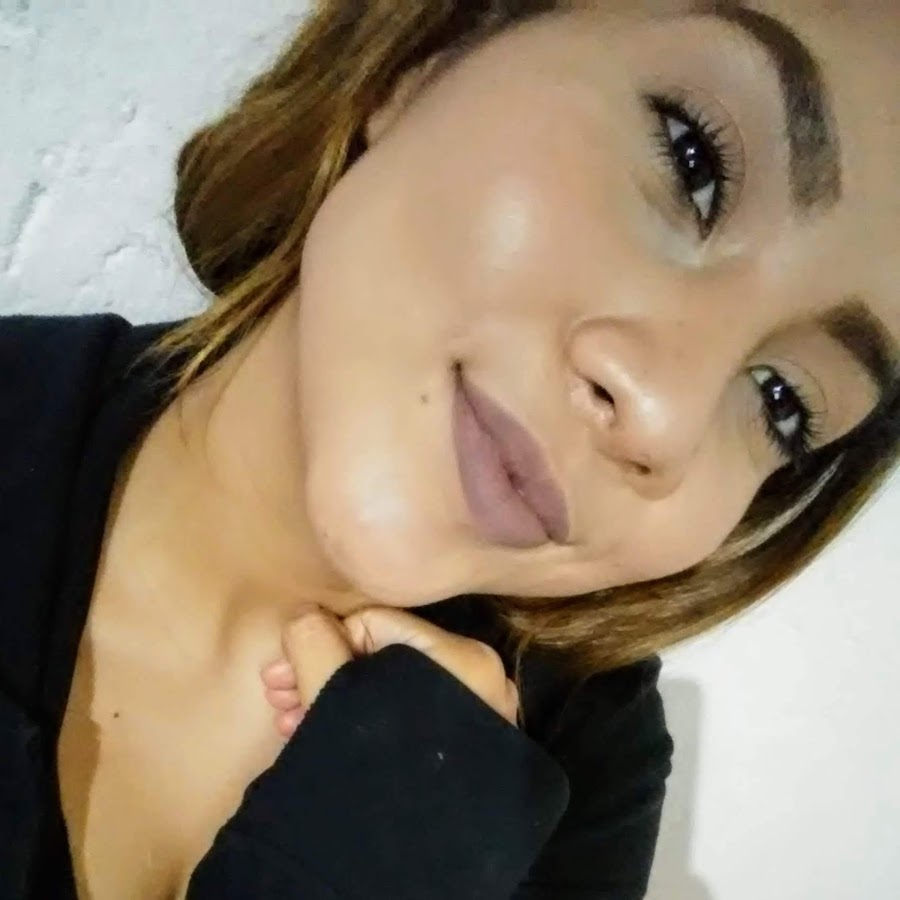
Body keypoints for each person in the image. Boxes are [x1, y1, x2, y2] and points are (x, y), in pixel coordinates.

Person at [2, 1, 897, 898]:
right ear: (428, 52)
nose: (665, 416)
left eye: (782, 401)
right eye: (693, 160)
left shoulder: (577, 760)